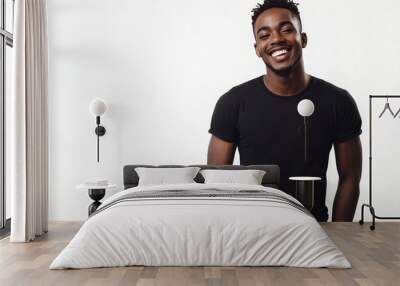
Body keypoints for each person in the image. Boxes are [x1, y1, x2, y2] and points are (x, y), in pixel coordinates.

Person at [207, 0, 362, 222]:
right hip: (251, 229)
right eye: (264, 35)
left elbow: (350, 177)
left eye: (286, 30)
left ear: (303, 39)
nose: (276, 39)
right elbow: (216, 183)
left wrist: (339, 235)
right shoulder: (232, 103)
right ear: (257, 49)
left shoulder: (338, 101)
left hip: (314, 229)